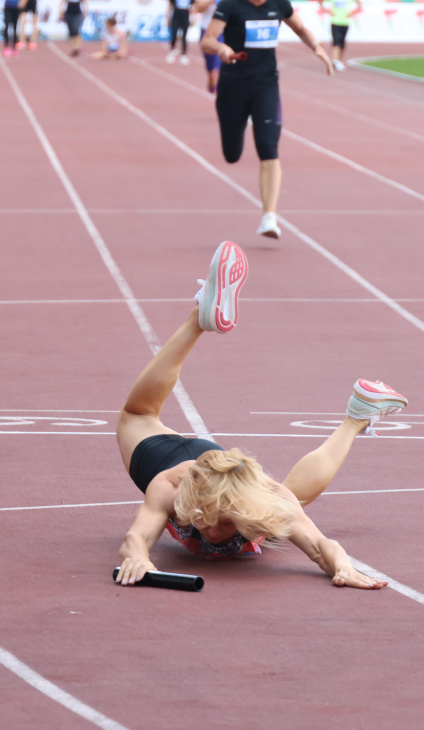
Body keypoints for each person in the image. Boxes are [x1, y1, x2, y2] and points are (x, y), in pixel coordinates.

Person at [114, 241, 405, 589]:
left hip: (238, 478)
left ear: (245, 506)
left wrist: (341, 567)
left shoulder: (264, 502)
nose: (211, 531)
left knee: (292, 501)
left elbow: (322, 546)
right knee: (136, 413)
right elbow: (136, 537)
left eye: (224, 522)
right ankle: (198, 317)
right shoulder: (169, 488)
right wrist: (138, 558)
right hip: (164, 455)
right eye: (204, 518)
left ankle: (357, 416)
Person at [200, 0, 333, 239]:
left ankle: (269, 217)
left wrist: (317, 46)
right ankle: (236, 135)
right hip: (232, 86)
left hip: (266, 84)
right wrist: (222, 49)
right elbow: (208, 39)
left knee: (268, 147)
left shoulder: (279, 4)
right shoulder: (231, 5)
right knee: (232, 154)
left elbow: (300, 28)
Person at [317, 0, 360, 72]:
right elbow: (320, 1)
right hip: (335, 21)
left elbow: (359, 3)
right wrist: (327, 11)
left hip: (345, 22)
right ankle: (335, 60)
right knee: (336, 41)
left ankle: (340, 61)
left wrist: (353, 12)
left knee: (342, 42)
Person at [193, 0, 220, 92]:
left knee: (220, 60)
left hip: (223, 32)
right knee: (210, 63)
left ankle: (218, 83)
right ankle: (211, 76)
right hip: (206, 30)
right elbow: (198, 8)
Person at [165, 0, 193, 65]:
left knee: (184, 36)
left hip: (185, 14)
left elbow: (193, 6)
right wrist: (167, 17)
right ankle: (172, 50)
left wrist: (192, 18)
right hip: (176, 14)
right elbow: (170, 5)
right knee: (174, 35)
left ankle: (184, 55)